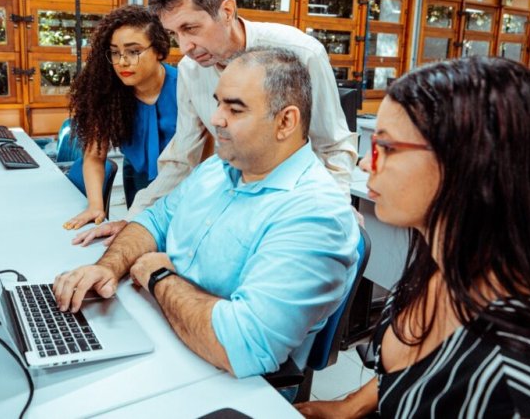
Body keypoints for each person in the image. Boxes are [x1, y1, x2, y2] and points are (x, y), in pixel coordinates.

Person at [296, 56, 530, 418]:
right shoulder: (438, 270)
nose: (366, 163)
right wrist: (347, 406)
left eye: (388, 148)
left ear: (468, 162)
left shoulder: (521, 384)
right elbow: (414, 375)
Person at [54, 47, 360, 378]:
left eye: (235, 109)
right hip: (164, 329)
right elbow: (154, 221)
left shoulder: (314, 213)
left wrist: (158, 277)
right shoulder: (218, 167)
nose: (216, 118)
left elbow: (243, 346)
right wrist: (108, 269)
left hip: (219, 372)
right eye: (218, 102)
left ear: (286, 121)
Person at [74, 0, 357, 246]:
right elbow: (182, 157)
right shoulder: (190, 70)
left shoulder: (302, 53)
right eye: (173, 34)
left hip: (294, 208)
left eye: (190, 29)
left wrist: (332, 213)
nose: (184, 47)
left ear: (227, 11)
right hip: (235, 207)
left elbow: (333, 146)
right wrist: (136, 220)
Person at [62, 5, 177, 229]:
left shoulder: (187, 87)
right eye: (115, 52)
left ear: (160, 51)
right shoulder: (107, 93)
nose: (122, 62)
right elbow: (94, 157)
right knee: (137, 232)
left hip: (184, 181)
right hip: (138, 175)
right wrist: (96, 206)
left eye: (134, 51)